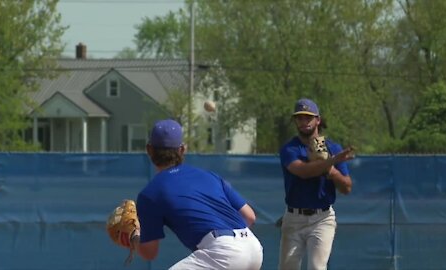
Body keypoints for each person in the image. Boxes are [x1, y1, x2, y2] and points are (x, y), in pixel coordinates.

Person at [123, 119, 263, 270]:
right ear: (182, 149)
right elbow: (249, 216)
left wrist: (133, 237)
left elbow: (149, 253)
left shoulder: (151, 193)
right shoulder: (210, 176)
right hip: (254, 248)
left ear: (149, 150)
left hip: (223, 254)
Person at [278, 98, 355, 270]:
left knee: (317, 267)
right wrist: (331, 161)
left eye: (308, 117)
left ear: (318, 120)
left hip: (322, 218)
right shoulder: (290, 149)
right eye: (299, 118)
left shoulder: (333, 148)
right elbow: (304, 172)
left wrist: (332, 171)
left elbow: (347, 187)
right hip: (293, 217)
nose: (304, 122)